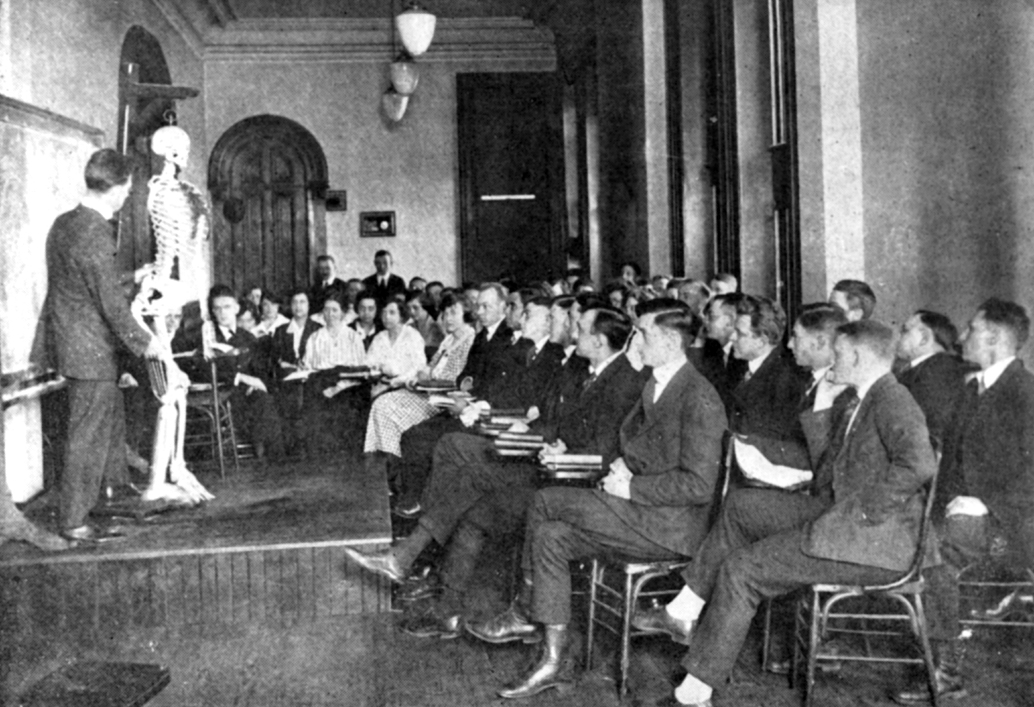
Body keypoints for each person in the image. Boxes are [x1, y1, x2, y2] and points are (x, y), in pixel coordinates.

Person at [634, 320, 936, 707]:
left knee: (742, 570)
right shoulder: (862, 396)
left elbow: (919, 465)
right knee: (743, 505)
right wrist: (824, 404)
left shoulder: (892, 399)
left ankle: (693, 694)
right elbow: (828, 467)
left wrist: (862, 516)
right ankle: (685, 607)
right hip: (838, 515)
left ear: (858, 356)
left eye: (838, 352)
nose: (831, 358)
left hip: (872, 543)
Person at [467, 306, 727, 699]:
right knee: (551, 537)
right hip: (639, 514)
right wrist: (623, 464)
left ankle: (525, 611)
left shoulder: (698, 396)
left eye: (642, 334)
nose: (633, 342)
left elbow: (699, 486)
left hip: (669, 527)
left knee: (545, 501)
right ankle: (554, 660)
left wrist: (632, 487)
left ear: (671, 342)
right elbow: (636, 443)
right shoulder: (656, 384)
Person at [347, 305, 646, 640]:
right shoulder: (588, 370)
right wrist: (543, 438)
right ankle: (438, 598)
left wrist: (561, 449)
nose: (574, 330)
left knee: (473, 482)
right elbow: (557, 424)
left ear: (601, 341)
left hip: (572, 482)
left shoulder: (623, 382)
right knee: (472, 503)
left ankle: (412, 564)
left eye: (582, 327)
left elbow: (605, 452)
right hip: (550, 464)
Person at [899, 298, 1034, 703]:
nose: (961, 338)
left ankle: (947, 667)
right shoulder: (972, 388)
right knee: (912, 529)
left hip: (1011, 522)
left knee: (935, 549)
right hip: (964, 509)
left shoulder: (1025, 393)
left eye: (971, 330)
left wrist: (984, 504)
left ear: (992, 338)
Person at [44, 148, 165, 542]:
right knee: (87, 436)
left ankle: (102, 504)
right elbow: (108, 302)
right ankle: (74, 521)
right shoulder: (96, 230)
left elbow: (89, 283)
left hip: (76, 346)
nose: (127, 197)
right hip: (90, 351)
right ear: (115, 188)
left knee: (104, 432)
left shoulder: (65, 224)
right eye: (127, 189)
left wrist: (133, 274)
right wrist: (145, 342)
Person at [363, 292, 475, 464]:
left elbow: (459, 380)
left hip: (445, 400)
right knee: (381, 404)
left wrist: (427, 379)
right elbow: (430, 366)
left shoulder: (470, 340)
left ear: (466, 313)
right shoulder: (449, 340)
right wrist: (422, 376)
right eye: (444, 314)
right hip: (429, 391)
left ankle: (398, 464)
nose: (447, 319)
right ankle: (392, 464)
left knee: (387, 408)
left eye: (453, 313)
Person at [201, 285, 284, 460]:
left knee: (266, 399)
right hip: (221, 395)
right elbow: (204, 369)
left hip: (247, 395)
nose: (222, 313)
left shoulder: (248, 338)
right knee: (261, 404)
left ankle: (273, 462)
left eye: (227, 307)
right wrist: (242, 378)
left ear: (237, 308)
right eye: (217, 308)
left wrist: (252, 382)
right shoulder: (207, 337)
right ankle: (265, 457)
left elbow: (262, 375)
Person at [726, 296, 810, 456]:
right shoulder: (741, 367)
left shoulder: (786, 381)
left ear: (762, 341)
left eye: (740, 333)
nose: (732, 337)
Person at [300, 292, 369, 453]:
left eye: (334, 310)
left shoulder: (353, 337)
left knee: (345, 408)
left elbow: (360, 371)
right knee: (314, 408)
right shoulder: (315, 337)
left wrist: (338, 387)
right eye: (326, 310)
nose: (330, 314)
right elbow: (308, 368)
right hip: (320, 384)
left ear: (343, 313)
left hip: (349, 386)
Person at [895, 309, 967, 448]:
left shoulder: (939, 369)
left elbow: (930, 430)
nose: (898, 337)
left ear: (924, 338)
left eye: (905, 331)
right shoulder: (926, 368)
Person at [269, 289, 322, 455]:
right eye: (294, 302)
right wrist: (290, 366)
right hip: (289, 380)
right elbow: (276, 360)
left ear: (309, 305)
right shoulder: (280, 330)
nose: (298, 306)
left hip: (311, 376)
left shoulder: (318, 328)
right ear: (290, 306)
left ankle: (306, 445)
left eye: (302, 302)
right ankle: (295, 447)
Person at [366, 298, 427, 397]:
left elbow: (418, 366)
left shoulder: (412, 336)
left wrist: (396, 381)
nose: (386, 317)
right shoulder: (380, 337)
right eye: (384, 313)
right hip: (381, 383)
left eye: (392, 313)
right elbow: (369, 362)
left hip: (406, 386)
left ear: (401, 316)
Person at [406, 289, 444, 355]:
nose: (411, 312)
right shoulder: (409, 328)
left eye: (415, 308)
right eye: (408, 308)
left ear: (426, 306)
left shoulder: (438, 325)